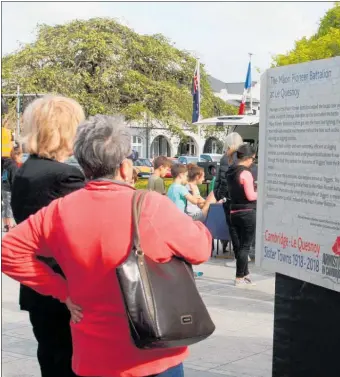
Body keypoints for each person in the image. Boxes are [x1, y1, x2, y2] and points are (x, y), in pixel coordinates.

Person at [2, 114, 212, 377]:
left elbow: (9, 252)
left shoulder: (59, 211)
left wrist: (61, 290)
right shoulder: (150, 206)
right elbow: (201, 250)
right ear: (124, 167)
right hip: (154, 353)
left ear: (82, 165)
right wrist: (200, 226)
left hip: (94, 356)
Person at [8, 95, 86, 377]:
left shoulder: (25, 171)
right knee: (72, 362)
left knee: (51, 358)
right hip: (67, 288)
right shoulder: (65, 176)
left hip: (37, 286)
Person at [226, 144, 257, 287]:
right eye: (253, 159)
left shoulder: (230, 171)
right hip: (246, 212)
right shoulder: (246, 173)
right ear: (249, 158)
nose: (253, 162)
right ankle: (239, 277)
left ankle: (245, 274)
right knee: (245, 247)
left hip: (233, 212)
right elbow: (251, 196)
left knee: (239, 246)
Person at [214, 132, 244, 258]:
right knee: (242, 227)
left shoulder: (224, 158)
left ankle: (238, 254)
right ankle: (243, 253)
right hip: (242, 198)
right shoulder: (243, 157)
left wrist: (219, 196)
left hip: (228, 199)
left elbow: (221, 180)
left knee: (232, 227)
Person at [2, 146, 23, 232]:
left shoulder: (6, 163)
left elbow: (4, 177)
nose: (21, 159)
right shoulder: (14, 166)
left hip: (4, 188)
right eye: (21, 156)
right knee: (9, 207)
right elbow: (14, 180)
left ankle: (6, 225)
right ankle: (10, 225)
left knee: (5, 207)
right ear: (16, 155)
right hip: (9, 189)